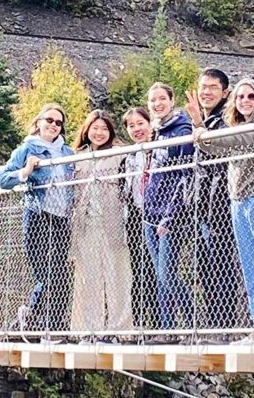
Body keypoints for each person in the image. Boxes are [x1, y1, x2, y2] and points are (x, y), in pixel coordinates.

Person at [193, 78, 254, 335]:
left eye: (251, 96)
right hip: (238, 200)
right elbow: (212, 148)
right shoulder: (237, 128)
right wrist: (202, 133)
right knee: (249, 265)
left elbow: (229, 140)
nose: (245, 101)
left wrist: (202, 130)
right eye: (241, 97)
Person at [0, 104, 76, 336]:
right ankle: (41, 320)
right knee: (47, 273)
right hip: (37, 215)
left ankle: (46, 322)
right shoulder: (27, 148)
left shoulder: (67, 153)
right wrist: (25, 172)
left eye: (58, 123)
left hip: (61, 219)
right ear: (39, 122)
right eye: (49, 120)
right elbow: (2, 180)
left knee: (59, 273)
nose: (53, 125)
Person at [184, 68, 249, 331]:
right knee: (205, 268)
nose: (206, 92)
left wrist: (199, 124)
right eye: (203, 87)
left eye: (212, 88)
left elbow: (218, 151)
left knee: (221, 266)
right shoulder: (205, 120)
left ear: (225, 93)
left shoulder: (226, 119)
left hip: (220, 203)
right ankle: (213, 325)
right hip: (201, 205)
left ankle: (222, 326)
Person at [68, 110, 133, 338]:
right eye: (95, 128)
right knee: (89, 280)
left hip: (114, 223)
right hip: (86, 225)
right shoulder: (76, 156)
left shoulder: (120, 154)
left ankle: (118, 330)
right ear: (87, 130)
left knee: (117, 277)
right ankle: (89, 329)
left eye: (104, 128)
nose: (99, 133)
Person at [142, 83, 195, 331]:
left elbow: (184, 176)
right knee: (160, 277)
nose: (157, 104)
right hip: (150, 213)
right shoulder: (157, 131)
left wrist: (170, 216)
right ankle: (167, 327)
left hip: (170, 214)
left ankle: (194, 320)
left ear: (171, 100)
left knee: (167, 274)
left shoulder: (181, 130)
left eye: (162, 99)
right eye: (153, 100)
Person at [120, 107, 160, 330]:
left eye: (140, 123)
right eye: (131, 125)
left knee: (157, 269)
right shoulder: (129, 157)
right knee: (138, 269)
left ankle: (158, 323)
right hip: (135, 214)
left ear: (150, 123)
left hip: (155, 213)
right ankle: (138, 323)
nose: (137, 129)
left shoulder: (158, 150)